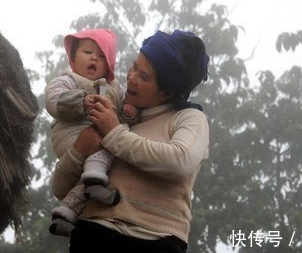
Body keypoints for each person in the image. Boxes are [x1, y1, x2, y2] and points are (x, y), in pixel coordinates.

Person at [51, 29, 210, 253]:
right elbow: (60, 188)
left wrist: (114, 132)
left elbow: (179, 161)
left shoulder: (189, 118)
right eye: (134, 66)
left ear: (165, 93)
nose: (131, 77)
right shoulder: (113, 111)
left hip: (154, 240)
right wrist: (79, 150)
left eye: (143, 76)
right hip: (92, 234)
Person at [45, 28, 139, 238]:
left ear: (109, 64)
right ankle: (95, 178)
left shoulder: (115, 87)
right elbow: (52, 99)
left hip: (96, 151)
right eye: (88, 53)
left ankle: (65, 213)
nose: (94, 59)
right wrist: (80, 102)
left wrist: (129, 111)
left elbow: (125, 108)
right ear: (74, 57)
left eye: (101, 56)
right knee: (116, 136)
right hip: (71, 136)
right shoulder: (69, 79)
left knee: (88, 180)